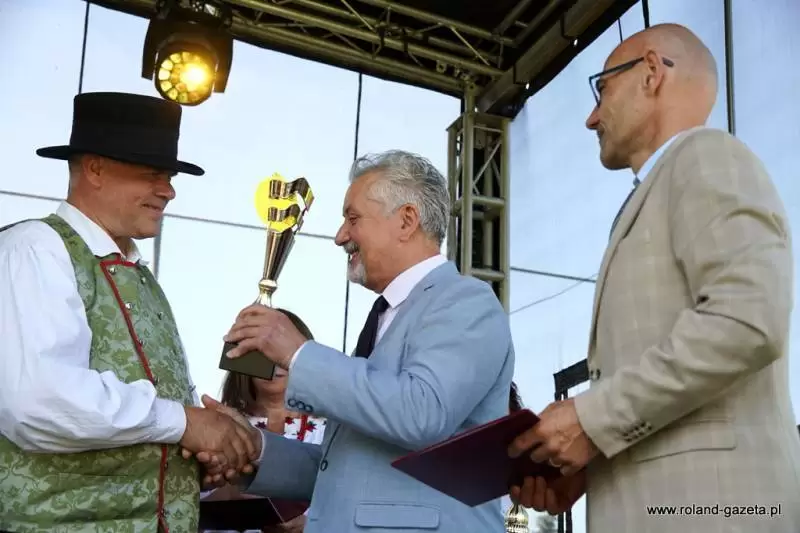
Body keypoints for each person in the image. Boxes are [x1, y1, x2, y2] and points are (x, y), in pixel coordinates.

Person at [507, 24, 800, 532]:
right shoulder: (666, 186)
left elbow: (747, 320)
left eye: (602, 90)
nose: (591, 117)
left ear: (650, 73)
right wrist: (592, 462)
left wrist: (591, 419)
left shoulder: (708, 157)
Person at [212, 149, 515, 532]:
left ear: (406, 221)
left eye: (352, 219)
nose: (340, 236)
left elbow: (422, 413)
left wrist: (298, 354)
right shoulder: (385, 318)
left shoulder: (465, 301)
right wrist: (253, 447)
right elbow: (341, 465)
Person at [0, 92, 260, 532]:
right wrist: (185, 423)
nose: (169, 190)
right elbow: (40, 401)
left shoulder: (138, 275)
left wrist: (196, 455)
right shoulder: (35, 248)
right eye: (152, 174)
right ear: (95, 169)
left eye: (169, 177)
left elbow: (152, 422)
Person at [202, 308, 324, 533]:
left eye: (282, 349)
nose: (274, 361)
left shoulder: (334, 430)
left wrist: (315, 523)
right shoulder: (218, 424)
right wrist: (230, 490)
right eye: (261, 351)